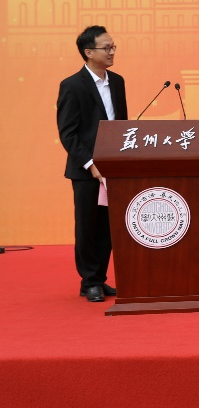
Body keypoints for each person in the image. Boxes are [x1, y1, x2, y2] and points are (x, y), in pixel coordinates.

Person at [56, 26, 128, 303]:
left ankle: (99, 278)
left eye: (113, 47)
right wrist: (91, 164)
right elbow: (68, 133)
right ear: (89, 52)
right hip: (86, 170)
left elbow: (121, 126)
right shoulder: (72, 85)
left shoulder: (117, 82)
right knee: (87, 226)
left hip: (113, 168)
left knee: (107, 227)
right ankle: (89, 282)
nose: (112, 52)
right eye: (106, 48)